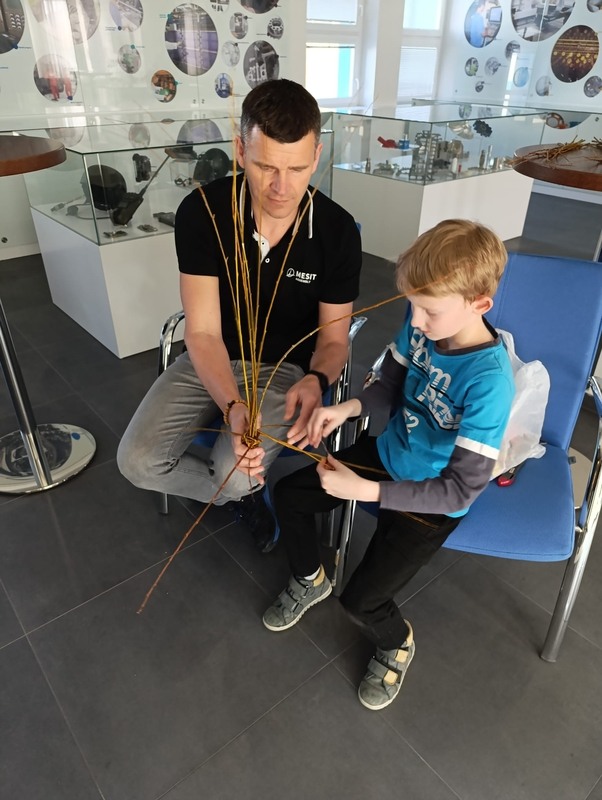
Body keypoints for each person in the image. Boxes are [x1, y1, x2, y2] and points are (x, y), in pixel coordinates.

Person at [262, 219, 515, 711]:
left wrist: (365, 491)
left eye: (429, 310)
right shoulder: (423, 322)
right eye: (413, 305)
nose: (415, 321)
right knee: (289, 495)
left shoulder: (490, 382)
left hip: (433, 499)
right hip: (389, 454)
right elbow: (388, 389)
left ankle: (396, 643)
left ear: (479, 305)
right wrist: (347, 409)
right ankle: (311, 577)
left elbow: (459, 489)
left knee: (362, 603)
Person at [117, 79, 362, 553]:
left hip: (284, 371)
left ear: (316, 155)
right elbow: (203, 332)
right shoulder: (202, 213)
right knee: (137, 462)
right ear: (240, 150)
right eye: (266, 166)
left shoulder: (336, 233)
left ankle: (239, 491)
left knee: (235, 477)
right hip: (212, 356)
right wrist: (233, 407)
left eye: (296, 168)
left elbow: (334, 340)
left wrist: (317, 380)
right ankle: (240, 493)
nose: (281, 187)